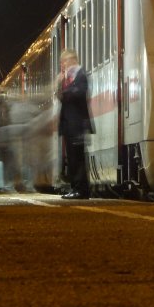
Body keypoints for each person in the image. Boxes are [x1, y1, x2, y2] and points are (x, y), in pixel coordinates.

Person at [55, 48, 93, 199]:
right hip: (69, 124)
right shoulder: (68, 78)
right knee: (72, 158)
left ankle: (81, 190)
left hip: (77, 123)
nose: (63, 65)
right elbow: (63, 98)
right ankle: (75, 187)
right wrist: (59, 86)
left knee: (77, 158)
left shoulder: (81, 75)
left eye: (64, 61)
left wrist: (65, 90)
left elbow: (80, 92)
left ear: (72, 60)